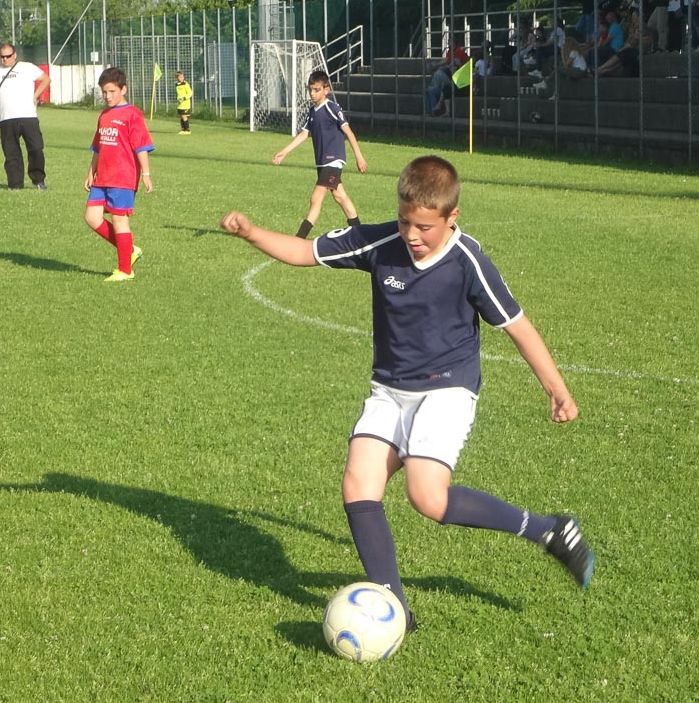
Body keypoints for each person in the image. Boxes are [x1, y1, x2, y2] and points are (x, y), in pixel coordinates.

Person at [219, 155, 596, 631]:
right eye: (404, 221)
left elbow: (516, 325)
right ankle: (394, 609)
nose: (412, 235)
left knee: (427, 496)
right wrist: (251, 232)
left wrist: (556, 389)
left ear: (451, 217)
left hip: (447, 390)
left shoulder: (468, 262)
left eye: (423, 227)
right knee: (358, 485)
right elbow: (305, 251)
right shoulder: (383, 242)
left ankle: (548, 530)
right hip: (389, 390)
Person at [272, 69, 368, 239]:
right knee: (340, 196)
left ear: (326, 89)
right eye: (310, 90)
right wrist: (284, 152)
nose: (312, 93)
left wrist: (359, 157)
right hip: (322, 162)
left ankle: (299, 239)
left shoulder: (332, 108)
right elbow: (304, 134)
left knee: (316, 198)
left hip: (333, 161)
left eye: (317, 90)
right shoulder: (312, 111)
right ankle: (360, 234)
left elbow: (349, 133)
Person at [83, 67, 155, 282]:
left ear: (124, 89)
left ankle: (125, 270)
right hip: (102, 178)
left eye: (112, 91)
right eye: (104, 92)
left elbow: (141, 147)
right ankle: (129, 249)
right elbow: (98, 147)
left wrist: (146, 174)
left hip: (123, 177)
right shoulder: (104, 115)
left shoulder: (133, 114)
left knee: (119, 220)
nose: (107, 96)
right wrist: (91, 172)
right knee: (91, 217)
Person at [0, 43, 51, 190]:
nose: (5, 59)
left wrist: (35, 96)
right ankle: (15, 184)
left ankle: (38, 180)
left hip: (28, 116)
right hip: (6, 118)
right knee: (11, 153)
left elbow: (46, 79)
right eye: (2, 57)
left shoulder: (27, 67)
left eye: (8, 56)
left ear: (15, 55)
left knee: (36, 148)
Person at [175, 70, 193, 135]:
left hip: (185, 104)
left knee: (184, 116)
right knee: (181, 116)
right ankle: (183, 129)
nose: (181, 78)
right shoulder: (177, 84)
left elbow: (190, 93)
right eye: (179, 77)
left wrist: (184, 98)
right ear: (177, 78)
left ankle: (187, 130)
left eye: (182, 77)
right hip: (180, 104)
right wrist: (179, 99)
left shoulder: (185, 84)